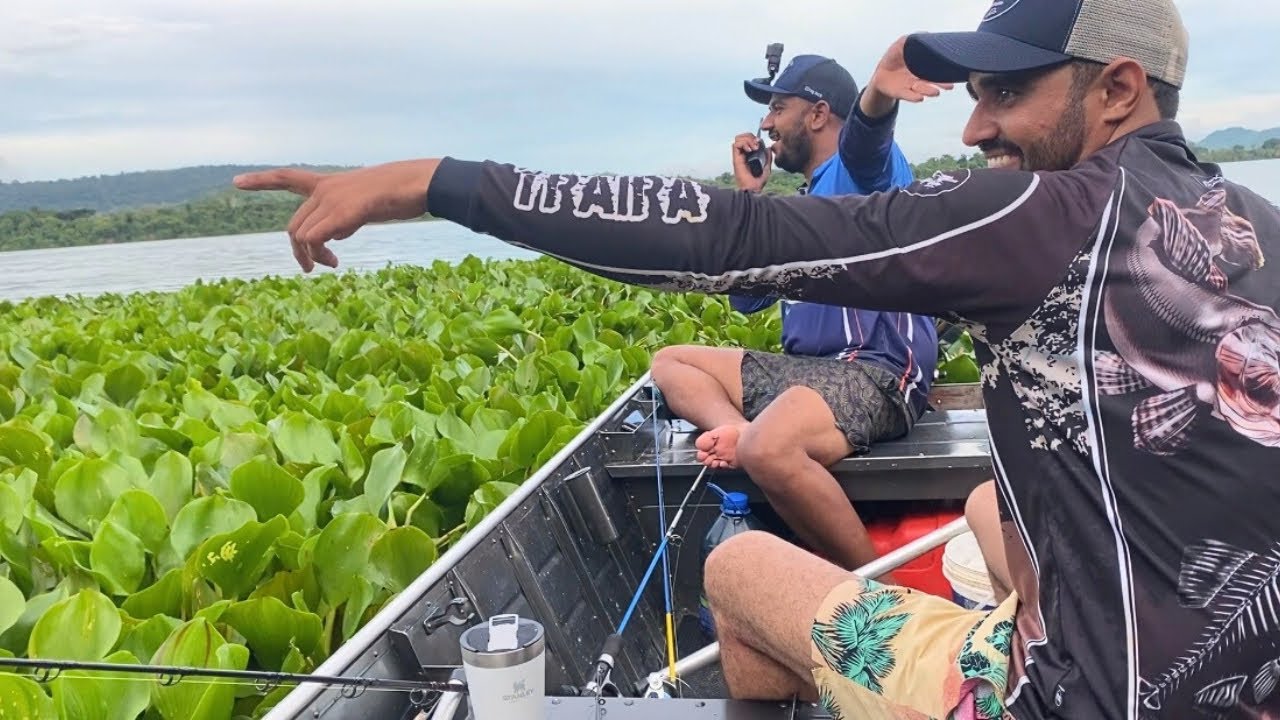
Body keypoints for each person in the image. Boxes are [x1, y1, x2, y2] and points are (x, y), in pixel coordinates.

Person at [232, 0, 1280, 715]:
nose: (973, 122)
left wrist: (435, 182)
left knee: (737, 568)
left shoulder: (1044, 212)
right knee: (975, 519)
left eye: (1005, 95)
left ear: (1116, 90)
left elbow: (730, 239)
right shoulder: (1256, 225)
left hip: (1073, 700)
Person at [650, 53, 938, 572]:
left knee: (770, 448)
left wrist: (879, 93)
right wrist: (749, 200)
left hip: (875, 372)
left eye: (777, 108)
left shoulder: (862, 176)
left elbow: (868, 138)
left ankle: (884, 602)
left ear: (819, 114)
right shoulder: (795, 208)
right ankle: (737, 431)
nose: (764, 124)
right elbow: (748, 294)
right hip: (810, 379)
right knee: (671, 362)